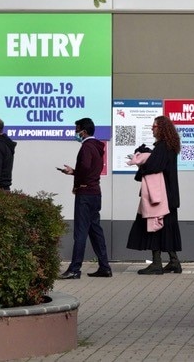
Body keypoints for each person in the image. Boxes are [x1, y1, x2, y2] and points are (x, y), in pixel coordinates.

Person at [127, 115, 183, 275]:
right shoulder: (169, 146)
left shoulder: (163, 146)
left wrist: (139, 161)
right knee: (168, 228)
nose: (152, 128)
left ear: (162, 129)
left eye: (155, 126)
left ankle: (157, 263)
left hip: (159, 196)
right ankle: (173, 262)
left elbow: (154, 165)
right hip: (169, 195)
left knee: (154, 227)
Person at [58, 118, 112, 279]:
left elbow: (86, 167)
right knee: (95, 231)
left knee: (80, 232)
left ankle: (75, 269)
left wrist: (77, 182)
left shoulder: (87, 147)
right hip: (96, 193)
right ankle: (105, 267)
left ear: (84, 131)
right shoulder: (97, 146)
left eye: (77, 130)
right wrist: (74, 172)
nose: (75, 133)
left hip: (85, 194)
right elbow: (89, 169)